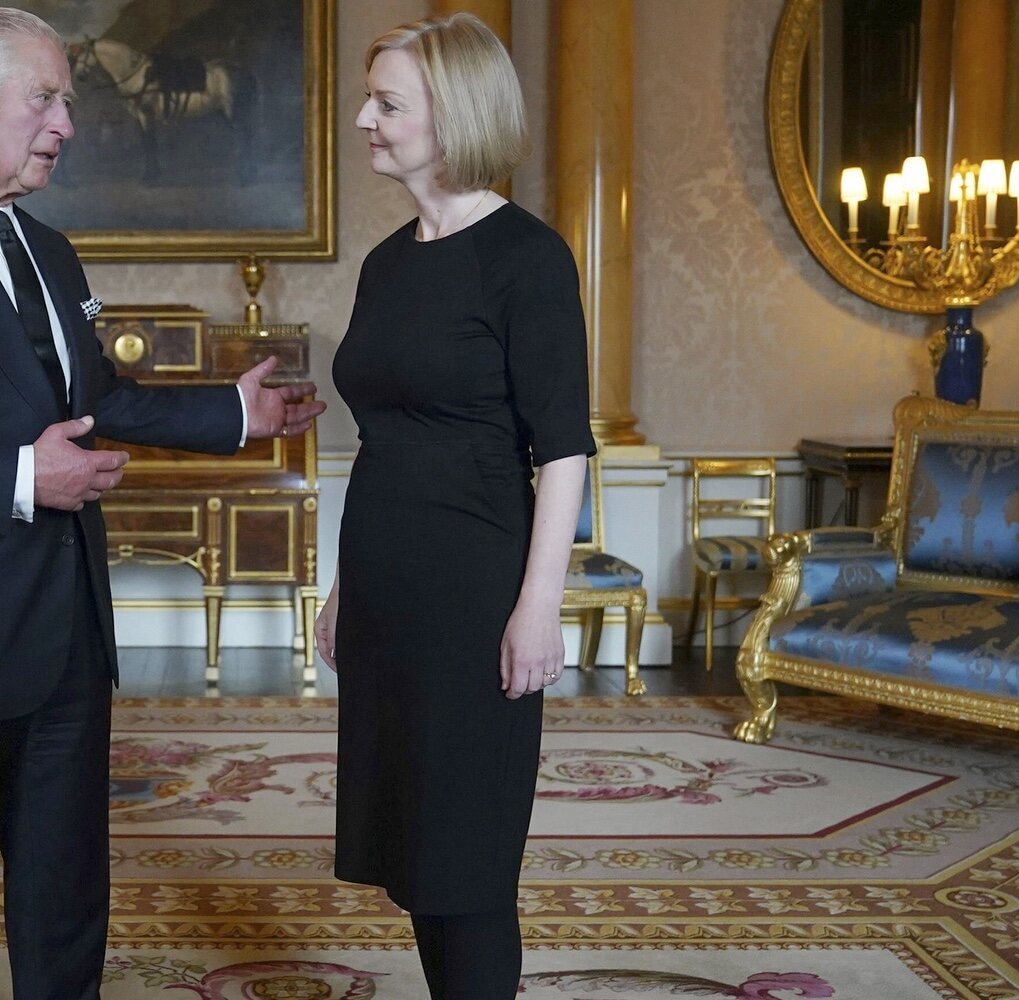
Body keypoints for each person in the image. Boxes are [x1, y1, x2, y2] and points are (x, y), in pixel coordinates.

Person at [0, 8, 325, 999]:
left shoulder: (52, 251)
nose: (66, 123)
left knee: (67, 898)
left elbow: (99, 402)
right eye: (45, 98)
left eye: (67, 102)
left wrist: (231, 413)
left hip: (67, 643)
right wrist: (17, 477)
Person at [315, 13, 596, 999]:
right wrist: (345, 588)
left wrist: (538, 605)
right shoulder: (387, 263)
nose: (363, 119)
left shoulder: (527, 258)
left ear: (456, 111)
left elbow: (560, 447)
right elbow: (381, 439)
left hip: (475, 591)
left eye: (385, 103)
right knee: (415, 849)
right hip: (386, 586)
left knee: (465, 860)